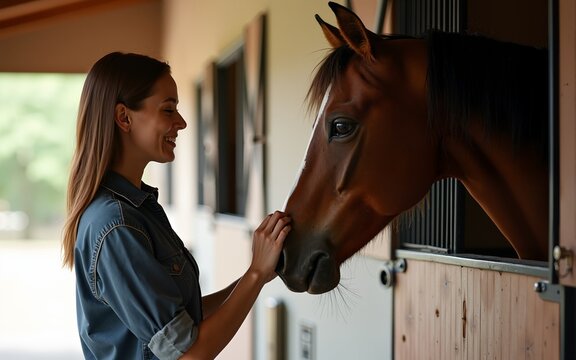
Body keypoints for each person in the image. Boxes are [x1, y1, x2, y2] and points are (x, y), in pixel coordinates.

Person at [61, 52, 291, 360]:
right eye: (168, 110)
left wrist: (260, 274)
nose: (181, 123)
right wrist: (254, 274)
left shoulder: (136, 210)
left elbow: (184, 320)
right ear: (124, 117)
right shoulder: (116, 225)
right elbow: (188, 353)